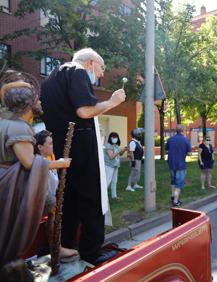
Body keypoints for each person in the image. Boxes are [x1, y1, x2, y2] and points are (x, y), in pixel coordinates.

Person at [40, 48, 126, 265]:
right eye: (101, 68)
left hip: (61, 143)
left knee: (68, 198)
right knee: (91, 196)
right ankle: (91, 251)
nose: (101, 75)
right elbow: (85, 111)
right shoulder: (77, 71)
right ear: (89, 63)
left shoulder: (50, 79)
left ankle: (67, 246)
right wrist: (113, 102)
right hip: (80, 140)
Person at [0, 70, 71, 271]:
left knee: (50, 205)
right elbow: (30, 163)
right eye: (37, 100)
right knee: (48, 204)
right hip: (10, 187)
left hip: (5, 181)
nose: (40, 103)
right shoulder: (18, 128)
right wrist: (60, 163)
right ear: (28, 104)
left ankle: (54, 247)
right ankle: (14, 260)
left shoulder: (4, 123)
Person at [34, 130, 79, 262]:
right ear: (40, 147)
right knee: (53, 215)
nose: (53, 146)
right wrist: (61, 163)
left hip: (50, 203)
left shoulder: (49, 160)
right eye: (50, 143)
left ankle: (56, 248)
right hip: (42, 204)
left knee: (53, 216)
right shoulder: (38, 162)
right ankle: (56, 248)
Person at [165, 124, 192, 207]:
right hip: (180, 164)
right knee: (179, 183)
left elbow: (166, 150)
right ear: (183, 131)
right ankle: (176, 201)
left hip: (171, 163)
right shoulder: (186, 140)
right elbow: (190, 153)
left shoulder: (170, 139)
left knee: (173, 181)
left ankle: (173, 196)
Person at [104, 132, 127, 199]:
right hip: (109, 165)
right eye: (113, 137)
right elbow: (111, 156)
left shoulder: (116, 145)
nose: (115, 138)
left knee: (114, 181)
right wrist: (118, 151)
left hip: (115, 165)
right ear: (110, 138)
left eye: (116, 137)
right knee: (108, 181)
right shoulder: (108, 145)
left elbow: (120, 154)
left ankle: (114, 196)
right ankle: (102, 197)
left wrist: (123, 150)